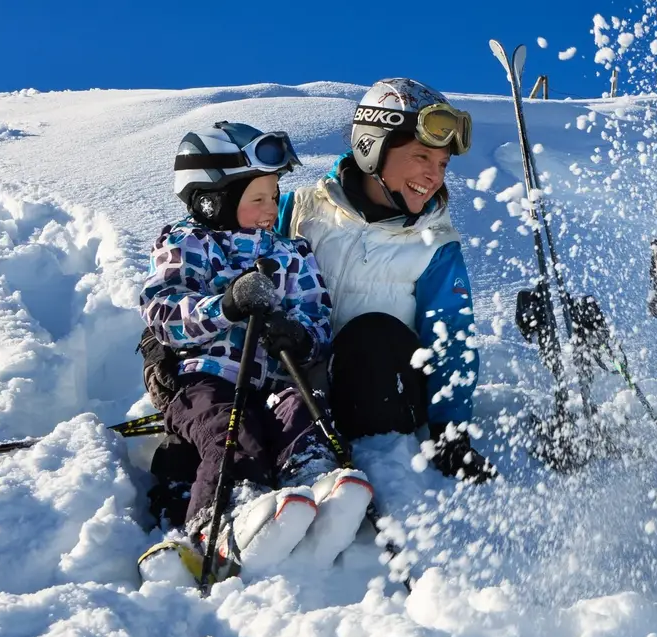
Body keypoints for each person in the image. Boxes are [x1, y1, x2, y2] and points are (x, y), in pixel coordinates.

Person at [137, 122, 373, 578]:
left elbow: (317, 315)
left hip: (277, 380)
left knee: (304, 413)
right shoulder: (188, 243)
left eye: (275, 193)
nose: (272, 208)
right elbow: (162, 311)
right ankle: (219, 517)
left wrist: (300, 336)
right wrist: (224, 306)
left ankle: (315, 482)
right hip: (204, 380)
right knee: (232, 430)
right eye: (258, 198)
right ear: (212, 199)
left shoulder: (291, 253)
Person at [277, 78, 489, 481]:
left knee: (370, 335)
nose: (433, 175)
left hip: (384, 399)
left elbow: (452, 335)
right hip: (300, 395)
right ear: (371, 147)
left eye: (442, 164)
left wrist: (451, 430)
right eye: (421, 156)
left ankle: (370, 477)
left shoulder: (435, 244)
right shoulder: (299, 210)